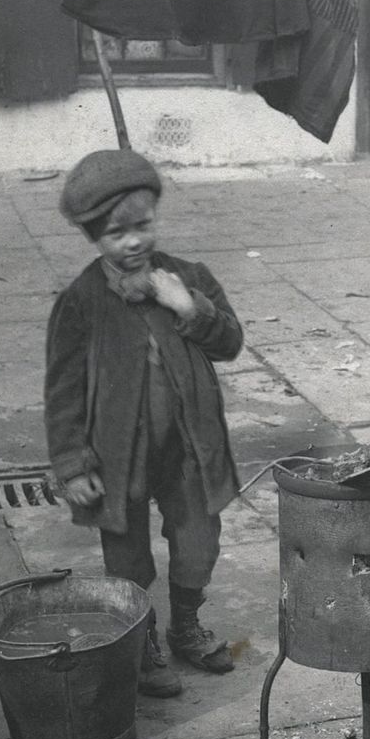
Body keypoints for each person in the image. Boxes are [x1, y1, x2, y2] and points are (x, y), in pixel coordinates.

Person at [45, 149, 243, 698]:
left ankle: (185, 623)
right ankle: (143, 637)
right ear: (93, 238)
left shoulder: (189, 278)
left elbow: (230, 343)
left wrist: (189, 307)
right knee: (127, 557)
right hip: (116, 455)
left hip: (188, 448)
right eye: (115, 233)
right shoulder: (82, 301)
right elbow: (61, 391)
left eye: (142, 225)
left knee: (199, 540)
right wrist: (72, 462)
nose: (133, 241)